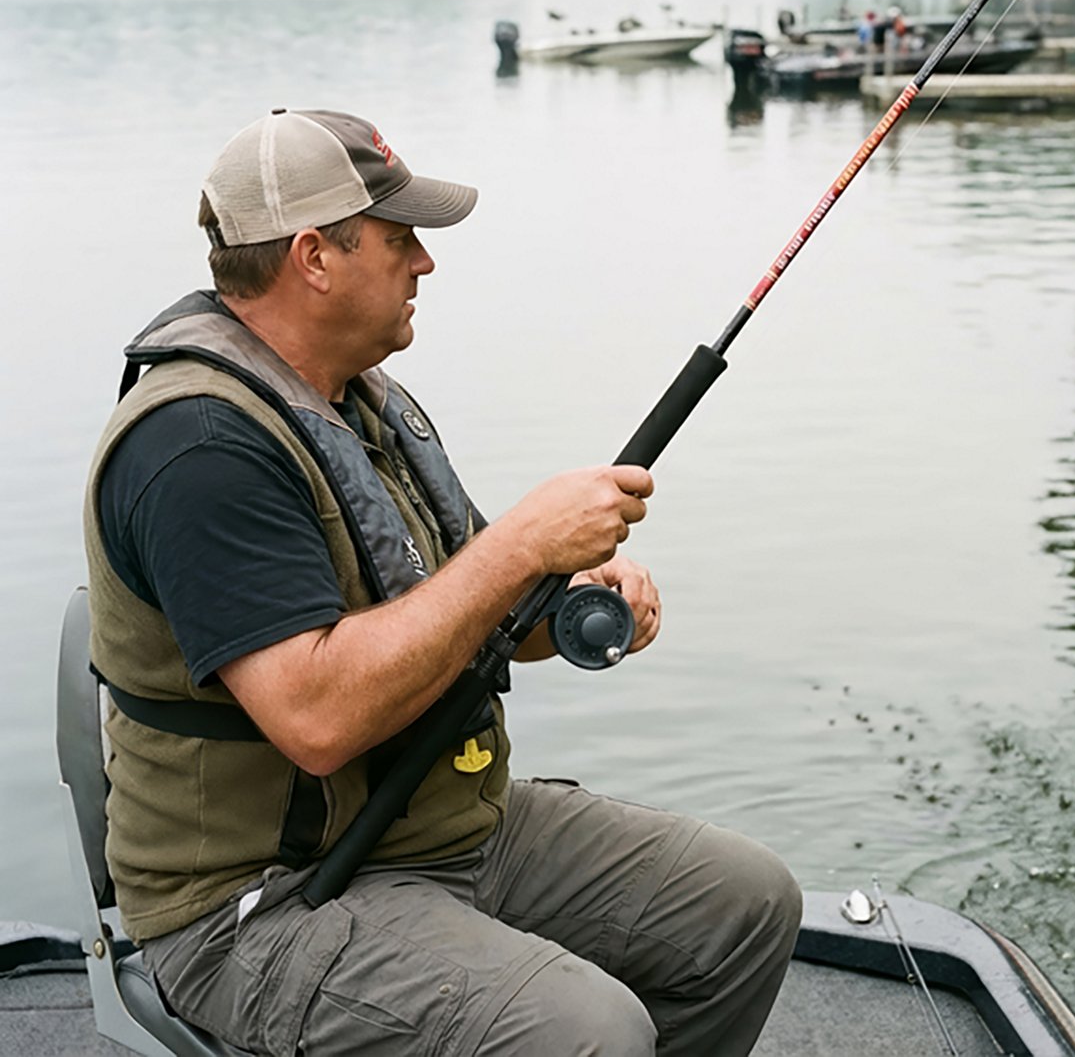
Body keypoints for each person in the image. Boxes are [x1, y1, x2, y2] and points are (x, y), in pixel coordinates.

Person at [84, 107, 801, 1056]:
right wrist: (518, 547)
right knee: (591, 1034)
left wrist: (571, 587)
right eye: (399, 239)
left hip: (437, 826)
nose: (425, 263)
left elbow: (477, 619)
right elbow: (318, 720)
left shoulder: (359, 402)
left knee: (744, 907)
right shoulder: (199, 449)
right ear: (313, 256)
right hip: (264, 901)